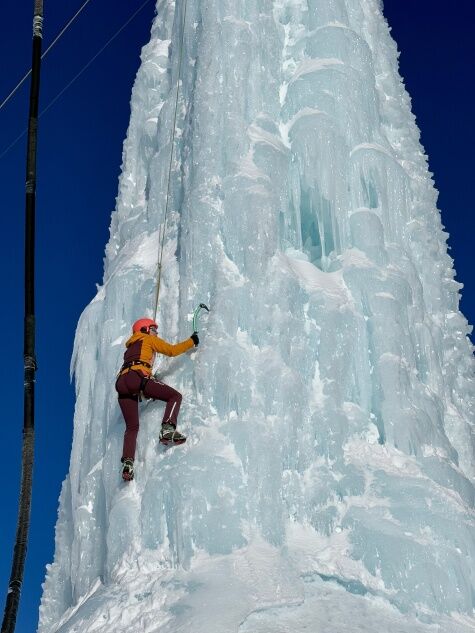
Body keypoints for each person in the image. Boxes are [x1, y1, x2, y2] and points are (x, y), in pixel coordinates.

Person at [116, 317, 199, 481]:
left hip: (121, 383)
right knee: (175, 396)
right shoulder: (148, 339)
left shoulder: (131, 347)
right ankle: (167, 429)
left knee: (131, 428)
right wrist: (192, 341)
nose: (156, 332)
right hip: (137, 377)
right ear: (145, 330)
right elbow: (172, 350)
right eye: (154, 329)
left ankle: (128, 464)